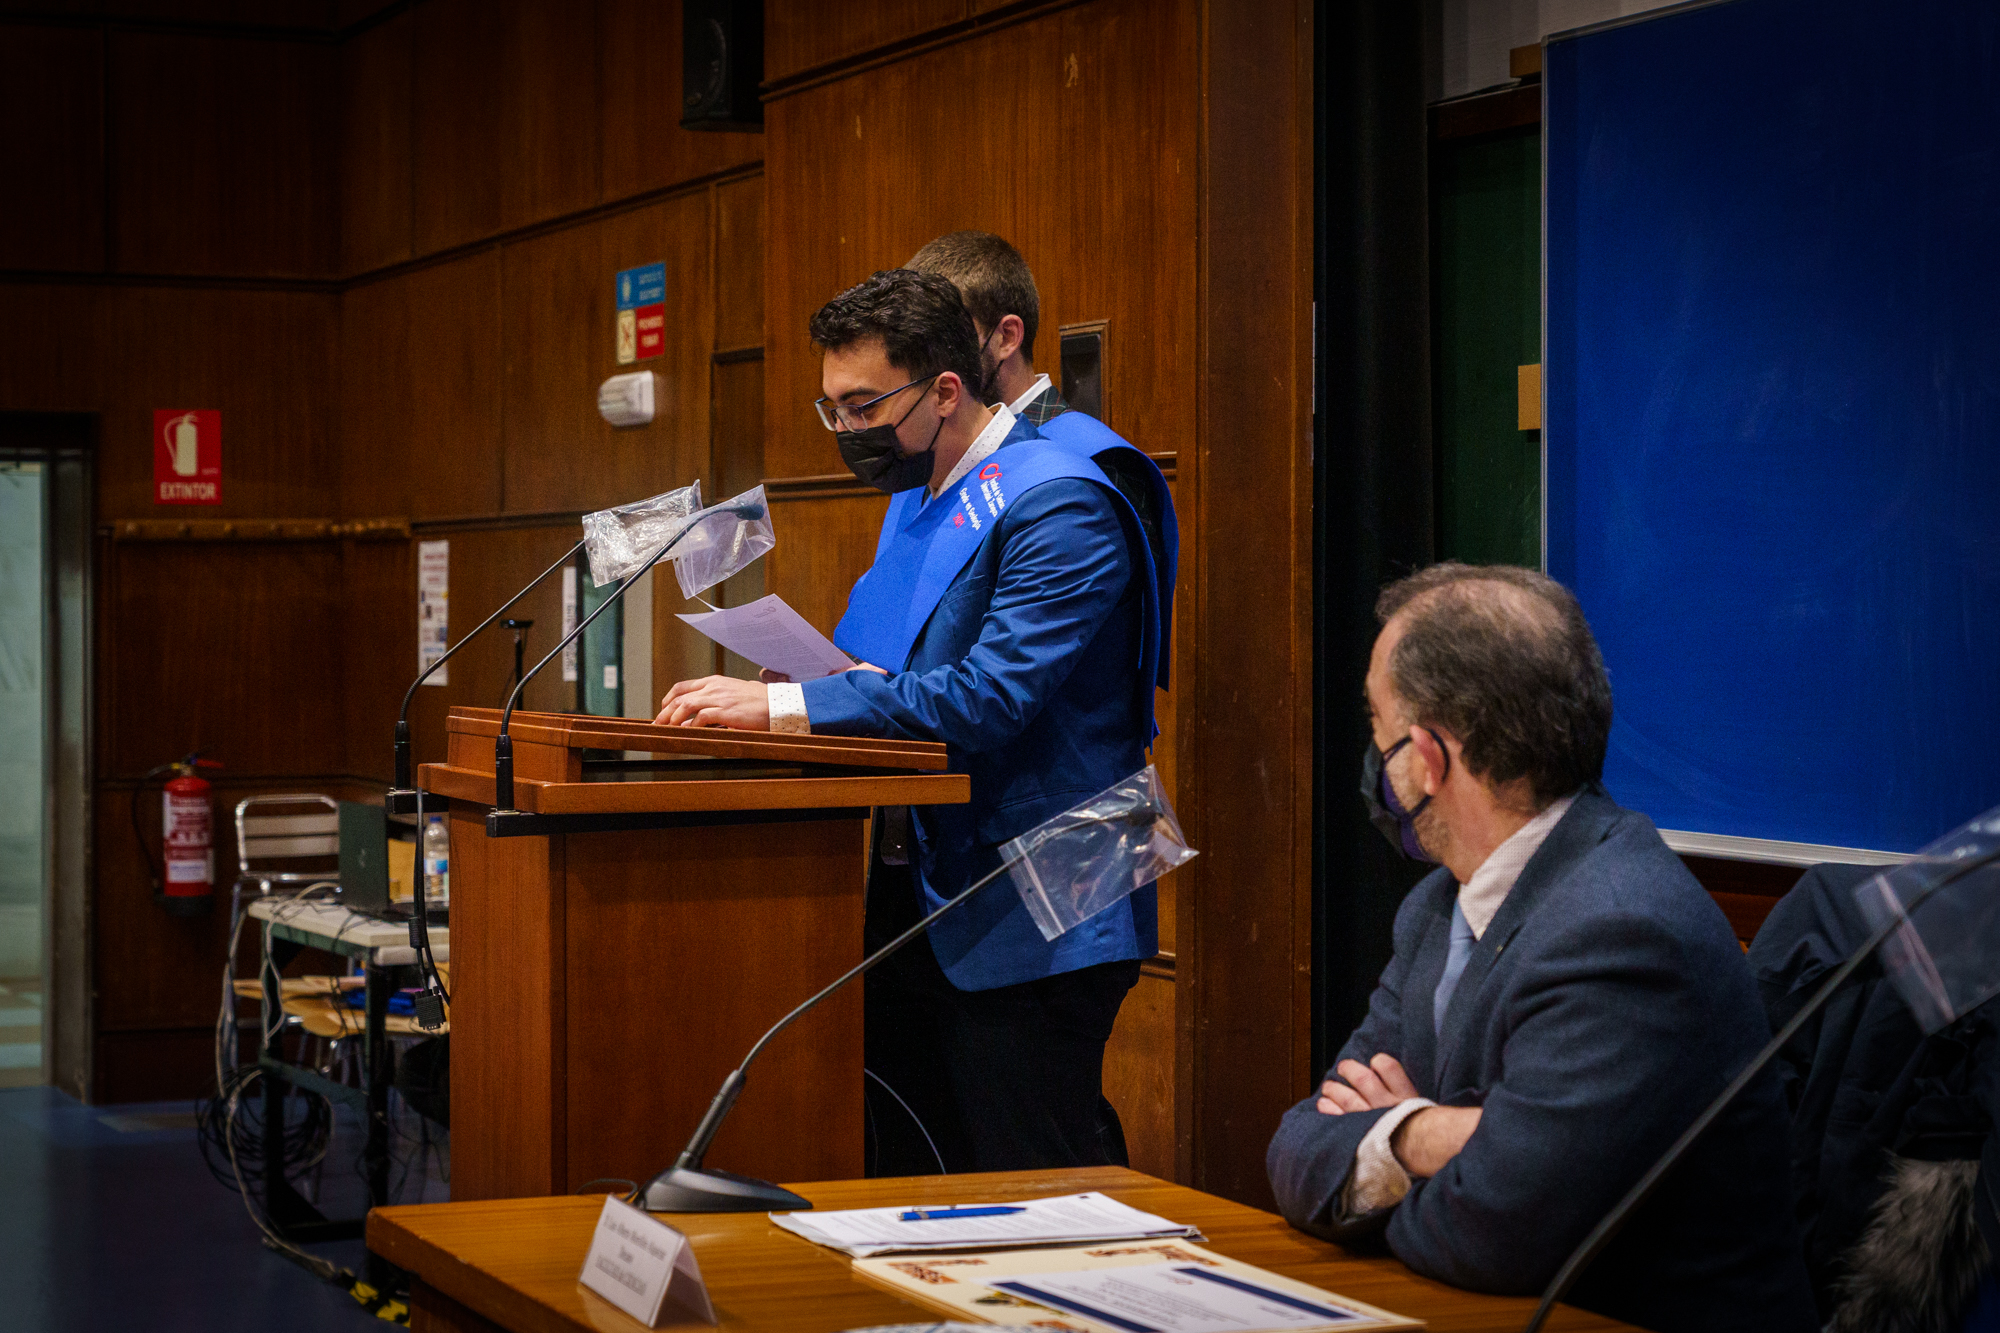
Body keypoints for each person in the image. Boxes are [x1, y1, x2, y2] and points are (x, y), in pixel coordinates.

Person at [657, 268, 1163, 1175]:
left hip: (1049, 890)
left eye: (861, 406)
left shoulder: (1064, 500)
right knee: (912, 1163)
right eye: (832, 409)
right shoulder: (924, 491)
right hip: (926, 881)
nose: (847, 431)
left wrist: (789, 704)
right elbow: (898, 671)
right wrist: (828, 676)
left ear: (944, 389)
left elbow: (985, 698)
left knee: (1030, 1170)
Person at [1266, 563, 1816, 1333]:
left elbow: (1495, 1233)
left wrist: (1395, 1147)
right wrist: (1429, 1132)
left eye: (1377, 731)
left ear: (1426, 756)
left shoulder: (1624, 927)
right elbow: (1300, 1146)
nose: (1376, 758)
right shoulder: (1436, 906)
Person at [906, 231, 1176, 692]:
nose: (923, 364)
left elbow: (1036, 668)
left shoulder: (1091, 466)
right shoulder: (929, 447)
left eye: (944, 339)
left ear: (1007, 336)